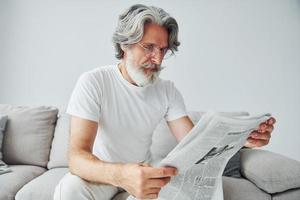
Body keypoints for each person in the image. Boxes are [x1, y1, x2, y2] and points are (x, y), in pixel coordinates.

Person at [54, 4, 276, 200]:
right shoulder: (94, 82)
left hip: (144, 172)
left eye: (162, 50)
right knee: (70, 188)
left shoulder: (166, 90)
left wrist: (244, 140)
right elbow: (77, 158)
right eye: (149, 47)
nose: (158, 59)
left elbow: (195, 143)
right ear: (125, 45)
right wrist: (123, 175)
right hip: (101, 173)